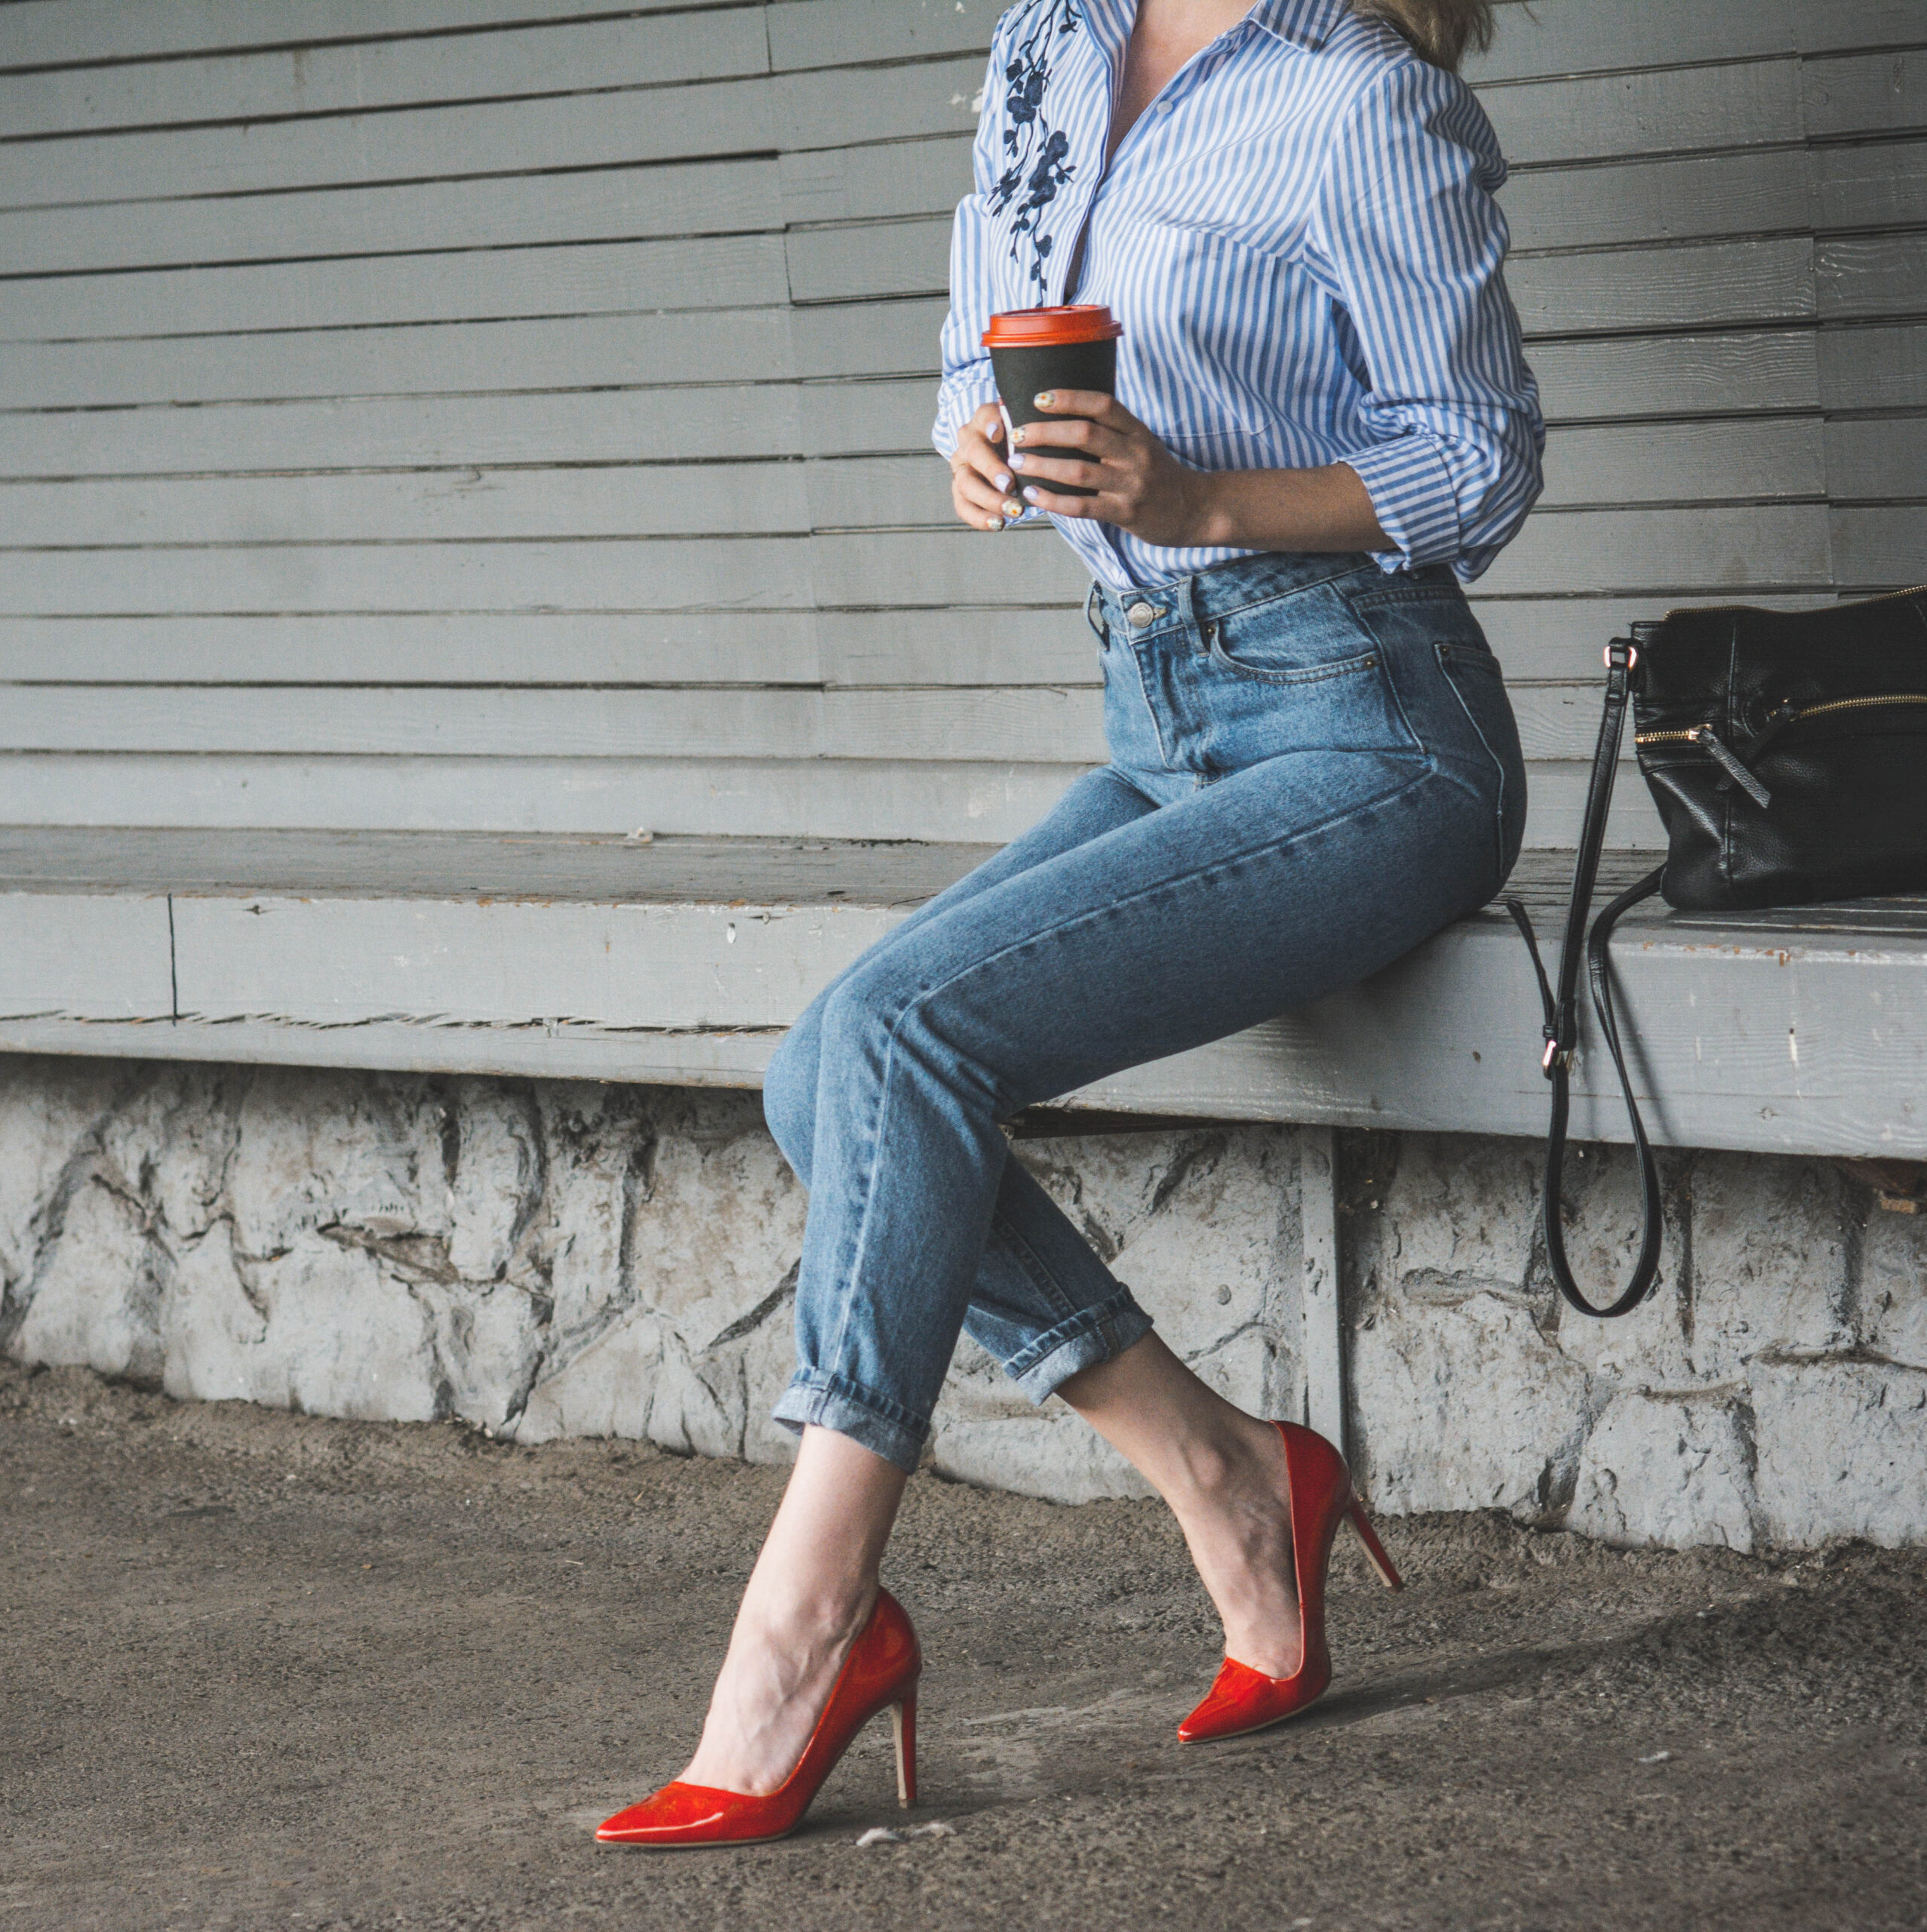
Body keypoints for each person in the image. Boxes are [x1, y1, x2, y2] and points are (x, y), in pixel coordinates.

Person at [597, 0, 1535, 1847]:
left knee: (901, 1034)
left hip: (1370, 726)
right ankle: (1231, 1469)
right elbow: (981, 344)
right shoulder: (1049, 45)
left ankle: (808, 1622)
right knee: (824, 1071)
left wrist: (1198, 496)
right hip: (1160, 711)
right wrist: (977, 438)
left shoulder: (1361, 99)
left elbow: (1482, 457)